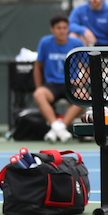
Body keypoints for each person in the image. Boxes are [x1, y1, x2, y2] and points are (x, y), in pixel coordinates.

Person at [33, 14, 86, 142]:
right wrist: (39, 86)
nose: (62, 31)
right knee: (39, 94)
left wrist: (82, 81)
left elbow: (87, 65)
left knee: (84, 95)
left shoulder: (76, 43)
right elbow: (38, 66)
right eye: (58, 28)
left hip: (71, 84)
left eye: (64, 28)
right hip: (52, 85)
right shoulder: (45, 42)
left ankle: (58, 128)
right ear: (52, 29)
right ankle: (58, 128)